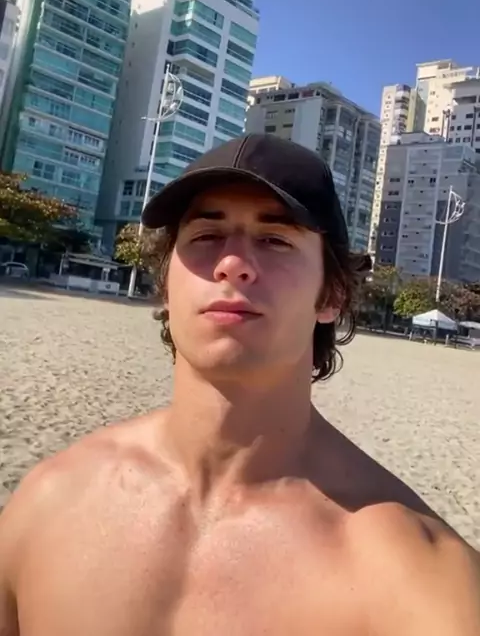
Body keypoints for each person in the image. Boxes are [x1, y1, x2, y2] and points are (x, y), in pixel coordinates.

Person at [0, 133, 479, 636]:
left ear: (331, 294)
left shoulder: (418, 576)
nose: (232, 264)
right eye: (206, 236)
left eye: (275, 240)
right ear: (166, 283)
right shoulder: (52, 501)